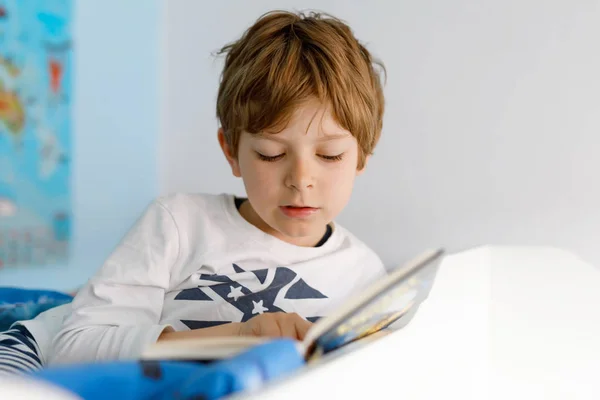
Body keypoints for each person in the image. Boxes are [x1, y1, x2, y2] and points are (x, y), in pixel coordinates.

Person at [50, 10, 387, 365]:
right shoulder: (179, 225)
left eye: (330, 155)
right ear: (231, 151)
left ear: (361, 156)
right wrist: (241, 336)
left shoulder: (364, 275)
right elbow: (73, 349)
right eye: (271, 154)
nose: (301, 179)